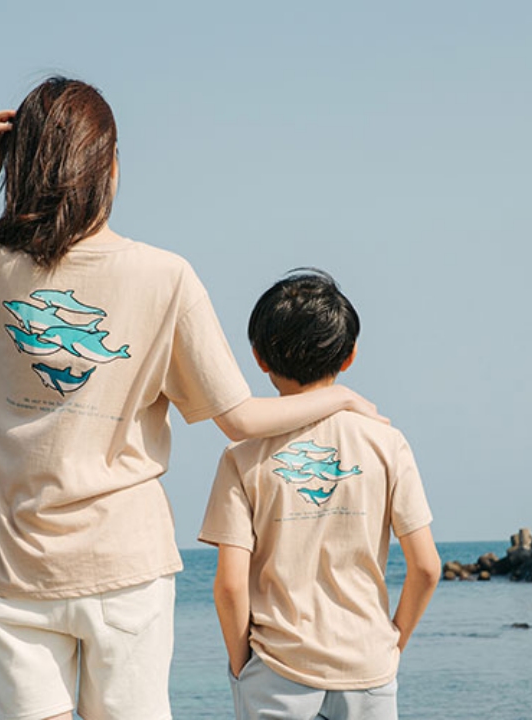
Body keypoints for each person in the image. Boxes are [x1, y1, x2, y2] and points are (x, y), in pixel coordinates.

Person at [0, 77, 384, 720]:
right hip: (127, 563)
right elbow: (240, 419)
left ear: (19, 165)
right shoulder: (165, 276)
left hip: (16, 562)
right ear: (110, 167)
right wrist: (340, 400)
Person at [199, 269, 441, 720]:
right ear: (349, 356)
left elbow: (230, 586)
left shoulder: (242, 456)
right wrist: (391, 648)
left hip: (277, 668)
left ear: (259, 357)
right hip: (368, 667)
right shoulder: (388, 444)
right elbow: (426, 568)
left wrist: (241, 667)